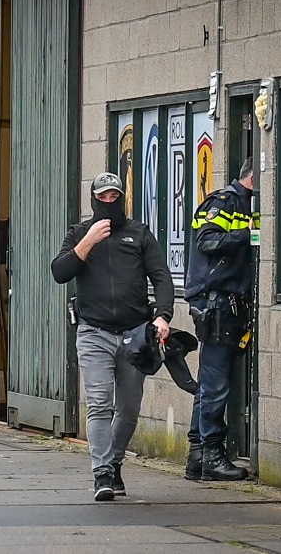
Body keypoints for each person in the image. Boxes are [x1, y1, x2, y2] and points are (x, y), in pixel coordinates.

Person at [51, 172, 174, 502]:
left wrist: (162, 315)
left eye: (114, 197)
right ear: (93, 199)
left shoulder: (139, 234)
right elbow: (59, 272)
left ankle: (115, 461)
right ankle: (102, 472)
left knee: (130, 408)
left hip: (134, 335)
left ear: (122, 198)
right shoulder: (79, 233)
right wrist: (88, 241)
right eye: (102, 197)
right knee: (99, 404)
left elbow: (162, 278)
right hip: (93, 332)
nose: (108, 202)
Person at [183, 158, 258, 481]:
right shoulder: (223, 202)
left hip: (231, 302)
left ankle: (198, 455)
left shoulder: (248, 204)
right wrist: (248, 233)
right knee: (216, 381)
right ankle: (211, 454)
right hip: (216, 302)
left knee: (211, 381)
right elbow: (206, 240)